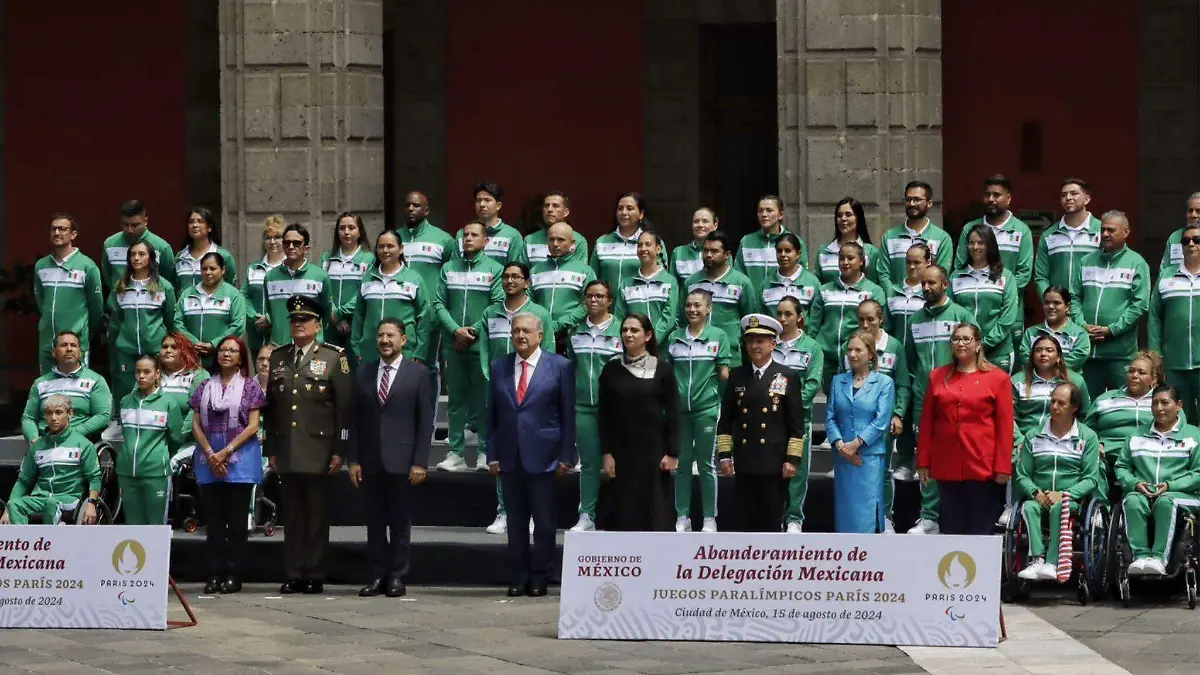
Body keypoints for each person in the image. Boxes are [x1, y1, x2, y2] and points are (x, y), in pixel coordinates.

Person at [263, 295, 352, 595]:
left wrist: (339, 450)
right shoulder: (279, 357)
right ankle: (294, 572)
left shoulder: (334, 357)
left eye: (305, 319)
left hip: (319, 450)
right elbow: (272, 409)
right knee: (293, 517)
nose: (298, 324)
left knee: (316, 516)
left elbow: (343, 409)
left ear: (318, 324)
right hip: (287, 449)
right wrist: (271, 450)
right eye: (294, 320)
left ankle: (314, 572)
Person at [485, 313, 575, 597]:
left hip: (545, 456)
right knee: (515, 522)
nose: (520, 336)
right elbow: (492, 414)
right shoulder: (499, 366)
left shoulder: (560, 366)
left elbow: (567, 415)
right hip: (509, 456)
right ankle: (519, 575)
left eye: (526, 331)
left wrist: (566, 456)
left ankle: (540, 576)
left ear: (540, 336)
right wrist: (492, 454)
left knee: (545, 523)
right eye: (516, 331)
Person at [348, 318, 434, 598]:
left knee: (399, 523)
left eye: (390, 335)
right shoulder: (363, 372)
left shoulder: (418, 374)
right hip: (370, 460)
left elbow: (425, 422)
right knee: (374, 523)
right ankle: (376, 575)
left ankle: (397, 575)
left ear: (403, 340)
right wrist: (353, 460)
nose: (384, 340)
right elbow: (355, 420)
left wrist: (420, 462)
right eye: (380, 335)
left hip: (403, 460)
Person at [476, 263, 555, 534]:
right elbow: (484, 351)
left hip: (533, 395)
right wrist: (493, 380)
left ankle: (533, 514)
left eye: (516, 277)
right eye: (506, 276)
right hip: (503, 393)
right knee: (504, 454)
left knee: (534, 454)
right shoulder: (490, 312)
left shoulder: (540, 313)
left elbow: (549, 354)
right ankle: (504, 511)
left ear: (527, 282)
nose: (510, 281)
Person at [916, 323, 1014, 535]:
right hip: (947, 464)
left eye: (966, 339)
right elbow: (927, 422)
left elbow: (1005, 426)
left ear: (978, 344)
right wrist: (923, 461)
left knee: (981, 527)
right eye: (956, 339)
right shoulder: (937, 376)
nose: (960, 343)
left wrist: (1003, 466)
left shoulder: (998, 378)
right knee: (952, 527)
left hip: (982, 464)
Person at [901, 265, 976, 534]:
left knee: (960, 454)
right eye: (923, 283)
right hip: (924, 397)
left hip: (957, 397)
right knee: (927, 458)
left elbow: (974, 356)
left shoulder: (961, 315)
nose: (926, 287)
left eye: (932, 283)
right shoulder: (915, 320)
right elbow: (910, 359)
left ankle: (963, 515)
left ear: (945, 285)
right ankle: (929, 516)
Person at [189, 336, 266, 595]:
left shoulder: (250, 387)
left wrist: (225, 452)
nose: (226, 354)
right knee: (213, 522)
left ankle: (233, 574)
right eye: (222, 349)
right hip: (208, 457)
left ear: (241, 357)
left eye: (232, 351)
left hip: (240, 458)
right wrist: (212, 454)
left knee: (236, 523)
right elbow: (195, 425)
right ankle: (213, 573)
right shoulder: (204, 386)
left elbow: (253, 427)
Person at [716, 314, 806, 532]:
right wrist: (725, 455)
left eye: (760, 341)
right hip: (745, 459)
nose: (755, 346)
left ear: (773, 344)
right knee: (744, 520)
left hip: (773, 461)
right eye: (750, 341)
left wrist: (792, 460)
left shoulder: (787, 376)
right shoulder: (737, 375)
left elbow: (796, 425)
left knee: (770, 521)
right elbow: (726, 419)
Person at [599, 314, 681, 531]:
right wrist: (607, 453)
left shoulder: (662, 369)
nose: (628, 334)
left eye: (634, 330)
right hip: (621, 452)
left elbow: (674, 413)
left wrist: (673, 453)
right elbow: (605, 415)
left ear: (648, 335)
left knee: (654, 511)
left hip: (653, 452)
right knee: (623, 511)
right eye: (625, 330)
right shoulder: (611, 369)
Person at [433, 221, 504, 472]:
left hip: (481, 345)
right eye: (465, 235)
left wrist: (471, 331)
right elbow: (438, 304)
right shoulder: (448, 268)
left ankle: (485, 452)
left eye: (474, 235)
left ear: (486, 241)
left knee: (483, 401)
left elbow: (497, 304)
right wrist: (456, 331)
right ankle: (456, 454)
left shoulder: (495, 269)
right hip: (453, 345)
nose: (468, 239)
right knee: (455, 401)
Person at [1015, 381, 1103, 581]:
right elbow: (1022, 474)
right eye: (1053, 401)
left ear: (1074, 407)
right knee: (1028, 507)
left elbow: (1091, 478)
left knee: (1058, 507)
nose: (1054, 407)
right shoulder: (1033, 435)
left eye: (1061, 403)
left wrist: (1064, 494)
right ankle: (1037, 559)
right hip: (1039, 496)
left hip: (1070, 499)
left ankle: (1052, 562)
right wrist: (1035, 492)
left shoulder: (1088, 437)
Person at [1115, 384, 1200, 576]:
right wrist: (1134, 483)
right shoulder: (1136, 435)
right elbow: (1122, 467)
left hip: (1185, 496)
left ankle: (1159, 558)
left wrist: (1170, 486)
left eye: (1165, 402)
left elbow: (1198, 474)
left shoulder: (1194, 436)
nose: (1159, 408)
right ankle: (1141, 557)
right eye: (1154, 403)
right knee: (1132, 500)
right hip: (1144, 493)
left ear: (1179, 405)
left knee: (1166, 502)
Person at [664, 291, 731, 533]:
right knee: (682, 464)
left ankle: (709, 518)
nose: (692, 309)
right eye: (688, 305)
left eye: (697, 305)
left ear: (708, 309)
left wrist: (713, 399)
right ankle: (682, 516)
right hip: (680, 412)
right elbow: (668, 375)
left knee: (705, 465)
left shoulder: (718, 336)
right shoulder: (675, 337)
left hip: (707, 410)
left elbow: (724, 374)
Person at [1068, 210, 1150, 395]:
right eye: (1103, 229)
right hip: (1086, 351)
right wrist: (1081, 325)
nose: (1105, 234)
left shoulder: (1136, 263)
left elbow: (1140, 304)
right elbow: (1073, 297)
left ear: (1126, 232)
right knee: (1087, 405)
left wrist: (1112, 330)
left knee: (1122, 402)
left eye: (1111, 230)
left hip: (1120, 354)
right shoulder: (1086, 261)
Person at [566, 280, 623, 533]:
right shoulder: (575, 332)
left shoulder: (622, 329)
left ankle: (621, 516)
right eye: (589, 296)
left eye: (599, 296)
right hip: (584, 408)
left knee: (618, 465)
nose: (593, 300)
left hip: (615, 409)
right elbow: (572, 366)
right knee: (589, 465)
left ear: (609, 301)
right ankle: (586, 515)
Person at [827, 331, 896, 533]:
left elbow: (881, 421)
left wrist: (855, 444)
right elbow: (830, 417)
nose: (852, 354)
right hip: (843, 457)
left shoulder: (884, 382)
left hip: (868, 457)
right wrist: (841, 445)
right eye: (849, 350)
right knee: (845, 512)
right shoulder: (838, 381)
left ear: (871, 354)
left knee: (866, 513)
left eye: (858, 350)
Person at [392, 191, 455, 413]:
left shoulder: (444, 240)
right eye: (407, 205)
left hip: (429, 316)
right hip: (399, 314)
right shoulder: (394, 238)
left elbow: (452, 275)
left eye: (416, 205)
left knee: (427, 366)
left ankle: (428, 421)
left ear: (426, 210)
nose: (411, 209)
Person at [850, 300, 907, 532]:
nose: (865, 324)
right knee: (856, 470)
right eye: (861, 319)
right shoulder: (851, 346)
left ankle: (885, 517)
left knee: (881, 471)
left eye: (870, 319)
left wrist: (898, 413)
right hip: (855, 421)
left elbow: (903, 383)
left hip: (882, 423)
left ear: (881, 319)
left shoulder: (894, 346)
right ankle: (858, 518)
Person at [0, 396, 102, 525]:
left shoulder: (83, 444)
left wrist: (92, 504)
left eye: (58, 412)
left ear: (70, 414)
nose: (53, 418)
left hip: (69, 497)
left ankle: (52, 538)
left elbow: (94, 478)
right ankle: (25, 538)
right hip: (40, 498)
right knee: (14, 504)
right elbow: (24, 481)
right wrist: (7, 511)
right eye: (49, 413)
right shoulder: (37, 447)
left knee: (52, 503)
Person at [808, 242, 887, 394]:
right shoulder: (824, 290)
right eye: (841, 258)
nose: (845, 262)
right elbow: (814, 324)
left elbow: (879, 326)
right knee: (832, 398)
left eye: (850, 258)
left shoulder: (874, 290)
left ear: (861, 261)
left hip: (855, 356)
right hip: (827, 357)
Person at [773, 297, 824, 533]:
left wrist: (790, 408)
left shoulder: (812, 347)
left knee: (797, 469)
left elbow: (812, 384)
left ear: (800, 317)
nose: (782, 319)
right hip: (771, 419)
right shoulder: (770, 344)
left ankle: (794, 517)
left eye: (788, 314)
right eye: (779, 314)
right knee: (772, 469)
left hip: (799, 420)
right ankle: (775, 515)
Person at [117, 354, 184, 525]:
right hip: (126, 473)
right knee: (133, 525)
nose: (141, 376)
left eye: (147, 372)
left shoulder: (168, 403)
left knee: (156, 526)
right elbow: (125, 433)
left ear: (157, 374)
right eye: (138, 372)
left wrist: (160, 456)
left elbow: (177, 438)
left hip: (156, 473)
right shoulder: (125, 401)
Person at [107, 240, 178, 403]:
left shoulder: (164, 287)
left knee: (156, 392)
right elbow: (116, 319)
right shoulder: (121, 287)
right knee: (125, 391)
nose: (136, 258)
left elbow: (170, 321)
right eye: (132, 254)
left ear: (151, 258)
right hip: (126, 350)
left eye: (141, 254)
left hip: (154, 349)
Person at [1087, 351, 1167, 491]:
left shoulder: (1163, 402)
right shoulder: (1105, 399)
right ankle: (1100, 503)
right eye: (1131, 371)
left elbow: (1179, 429)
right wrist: (1095, 443)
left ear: (1153, 379)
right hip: (1109, 453)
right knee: (1093, 461)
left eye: (1141, 372)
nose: (1134, 375)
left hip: (1148, 454)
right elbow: (1087, 429)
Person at [34, 213, 103, 374]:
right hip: (47, 344)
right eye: (53, 229)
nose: (57, 233)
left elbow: (96, 308)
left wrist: (83, 332)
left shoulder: (87, 266)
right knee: (47, 387)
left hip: (75, 345)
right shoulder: (41, 266)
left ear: (73, 234)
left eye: (62, 229)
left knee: (75, 387)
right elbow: (41, 302)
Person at [953, 176, 1034, 310]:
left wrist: (997, 293)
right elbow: (960, 266)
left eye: (996, 195)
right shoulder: (969, 229)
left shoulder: (1022, 231)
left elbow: (1024, 273)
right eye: (987, 195)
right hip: (970, 307)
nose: (991, 199)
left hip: (1008, 307)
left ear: (1008, 198)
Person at [350, 229, 428, 364]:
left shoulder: (414, 279)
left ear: (401, 249)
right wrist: (357, 348)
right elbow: (358, 316)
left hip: (404, 352)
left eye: (390, 246)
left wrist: (420, 353)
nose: (385, 250)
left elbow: (424, 317)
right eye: (381, 247)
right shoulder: (367, 279)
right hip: (370, 353)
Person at [949, 224, 1020, 372]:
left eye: (980, 242)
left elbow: (1008, 316)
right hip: (964, 351)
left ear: (990, 245)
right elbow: (950, 313)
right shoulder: (956, 276)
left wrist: (984, 343)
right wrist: (967, 343)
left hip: (999, 352)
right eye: (971, 243)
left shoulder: (1005, 276)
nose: (975, 247)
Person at [21, 331, 112, 444]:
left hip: (81, 443)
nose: (69, 349)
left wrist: (71, 435)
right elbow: (28, 418)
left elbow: (103, 416)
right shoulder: (40, 383)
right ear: (54, 352)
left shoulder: (95, 380)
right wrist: (34, 438)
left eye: (73, 345)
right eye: (64, 345)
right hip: (46, 442)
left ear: (80, 352)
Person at [1150, 223, 1200, 421]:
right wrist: (1155, 355)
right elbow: (1154, 316)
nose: (1191, 244)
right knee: (1179, 420)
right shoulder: (1166, 276)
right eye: (1186, 241)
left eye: (1197, 240)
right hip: (1173, 363)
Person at [683, 231, 757, 362]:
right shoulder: (691, 282)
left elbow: (749, 320)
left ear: (727, 255)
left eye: (714, 251)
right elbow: (682, 318)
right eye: (706, 250)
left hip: (730, 355)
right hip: (697, 355)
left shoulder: (741, 282)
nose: (708, 255)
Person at [1013, 335, 1091, 449]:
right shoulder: (1017, 381)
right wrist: (1020, 441)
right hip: (1024, 439)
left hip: (1065, 441)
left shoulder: (1076, 381)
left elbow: (1085, 416)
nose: (1043, 354)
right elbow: (1008, 417)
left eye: (1049, 350)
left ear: (1058, 357)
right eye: (1038, 350)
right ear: (1032, 356)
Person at [263, 224, 335, 347]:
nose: (291, 247)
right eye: (287, 243)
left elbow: (327, 313)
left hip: (312, 348)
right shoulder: (270, 277)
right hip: (280, 346)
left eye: (296, 243)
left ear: (306, 248)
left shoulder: (320, 276)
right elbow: (270, 312)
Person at [530, 222, 596, 350]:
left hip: (572, 335)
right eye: (551, 239)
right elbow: (528, 302)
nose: (555, 244)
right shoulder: (535, 271)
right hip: (539, 335)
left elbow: (587, 304)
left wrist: (560, 324)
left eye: (561, 240)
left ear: (572, 243)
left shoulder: (585, 271)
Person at [174, 252, 247, 368]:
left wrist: (214, 344)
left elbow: (238, 325)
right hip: (191, 359)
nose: (208, 272)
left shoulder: (233, 295)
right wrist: (193, 342)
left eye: (212, 269)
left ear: (223, 270)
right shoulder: (187, 294)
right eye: (204, 269)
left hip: (221, 360)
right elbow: (177, 322)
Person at [1034, 178, 1102, 296]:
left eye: (1074, 193)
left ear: (1087, 199)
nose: (1068, 198)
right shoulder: (1049, 235)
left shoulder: (1102, 231)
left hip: (1091, 303)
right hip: (1058, 304)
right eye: (1063, 195)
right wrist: (1050, 300)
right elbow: (1041, 277)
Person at [322, 212, 376, 356]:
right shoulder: (326, 258)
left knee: (355, 366)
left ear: (359, 232)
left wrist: (340, 313)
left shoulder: (369, 259)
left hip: (356, 325)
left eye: (351, 228)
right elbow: (323, 289)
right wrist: (333, 315)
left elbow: (365, 291)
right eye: (342, 228)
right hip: (330, 324)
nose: (346, 232)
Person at [879, 181, 954, 285]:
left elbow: (941, 276)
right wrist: (895, 293)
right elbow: (883, 275)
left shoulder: (942, 238)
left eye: (917, 199)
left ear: (929, 203)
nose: (912, 203)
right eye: (908, 199)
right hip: (896, 295)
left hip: (927, 295)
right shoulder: (889, 237)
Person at [615, 229, 678, 343]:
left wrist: (651, 341)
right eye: (639, 245)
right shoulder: (626, 284)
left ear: (658, 249)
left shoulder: (670, 281)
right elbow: (620, 318)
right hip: (633, 347)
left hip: (662, 348)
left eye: (648, 244)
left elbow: (669, 318)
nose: (643, 248)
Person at [593, 192, 665, 292]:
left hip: (640, 300)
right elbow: (593, 278)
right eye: (620, 208)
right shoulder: (602, 242)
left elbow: (662, 276)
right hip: (607, 301)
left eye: (629, 208)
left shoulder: (653, 242)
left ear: (641, 214)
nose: (624, 212)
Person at [101, 199, 177, 292]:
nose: (130, 230)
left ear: (145, 221)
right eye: (125, 224)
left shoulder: (161, 247)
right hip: (119, 298)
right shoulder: (110, 244)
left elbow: (168, 279)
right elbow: (108, 277)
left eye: (135, 225)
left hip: (151, 298)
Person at [734, 195, 808, 291]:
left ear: (780, 215)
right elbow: (738, 276)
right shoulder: (746, 241)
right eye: (760, 211)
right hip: (753, 300)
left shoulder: (795, 241)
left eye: (769, 210)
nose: (764, 214)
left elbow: (803, 276)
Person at [159, 333, 211, 468]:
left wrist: (177, 437)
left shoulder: (199, 375)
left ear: (185, 350)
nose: (168, 350)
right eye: (164, 347)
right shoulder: (152, 373)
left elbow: (195, 410)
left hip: (186, 442)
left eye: (174, 347)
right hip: (154, 440)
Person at [1017, 286, 1091, 372]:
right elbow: (1025, 356)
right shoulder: (1031, 333)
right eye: (1047, 303)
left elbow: (1077, 358)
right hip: (1035, 378)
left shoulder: (1079, 334)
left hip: (1067, 378)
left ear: (1067, 306)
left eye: (1057, 303)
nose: (1051, 306)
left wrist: (1048, 368)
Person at [816, 198, 886, 287]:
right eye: (839, 215)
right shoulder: (824, 251)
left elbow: (874, 285)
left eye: (848, 215)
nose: (843, 219)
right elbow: (817, 285)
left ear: (858, 218)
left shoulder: (871, 252)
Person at [243, 215, 288, 354]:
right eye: (268, 238)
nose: (272, 242)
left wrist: (269, 318)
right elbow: (244, 296)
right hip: (257, 333)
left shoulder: (290, 268)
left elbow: (292, 298)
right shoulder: (253, 268)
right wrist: (254, 317)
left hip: (282, 334)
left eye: (277, 237)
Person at [458, 182, 524, 265]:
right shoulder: (462, 234)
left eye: (487, 200)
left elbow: (514, 269)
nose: (482, 204)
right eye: (478, 200)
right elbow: (454, 267)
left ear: (498, 206)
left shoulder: (512, 236)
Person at [760, 233, 821, 318]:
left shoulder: (812, 283)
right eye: (779, 251)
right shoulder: (766, 285)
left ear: (798, 254)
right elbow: (762, 318)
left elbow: (817, 318)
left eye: (788, 251)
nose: (783, 254)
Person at [175, 207, 237, 290]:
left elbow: (231, 288)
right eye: (191, 222)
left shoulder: (224, 256)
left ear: (209, 228)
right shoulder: (180, 257)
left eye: (200, 221)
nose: (195, 225)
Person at [522, 191, 588, 266]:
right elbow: (522, 271)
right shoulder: (530, 240)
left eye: (555, 206)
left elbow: (580, 270)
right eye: (546, 206)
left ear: (566, 212)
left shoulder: (578, 240)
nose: (549, 209)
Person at [671, 207, 718, 285]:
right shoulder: (678, 252)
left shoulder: (722, 252)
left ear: (715, 225)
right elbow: (673, 285)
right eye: (696, 221)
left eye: (705, 221)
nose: (700, 225)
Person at [1159, 192, 1200, 271]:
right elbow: (1165, 270)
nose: (1193, 215)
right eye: (1190, 210)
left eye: (1198, 211)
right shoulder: (1175, 237)